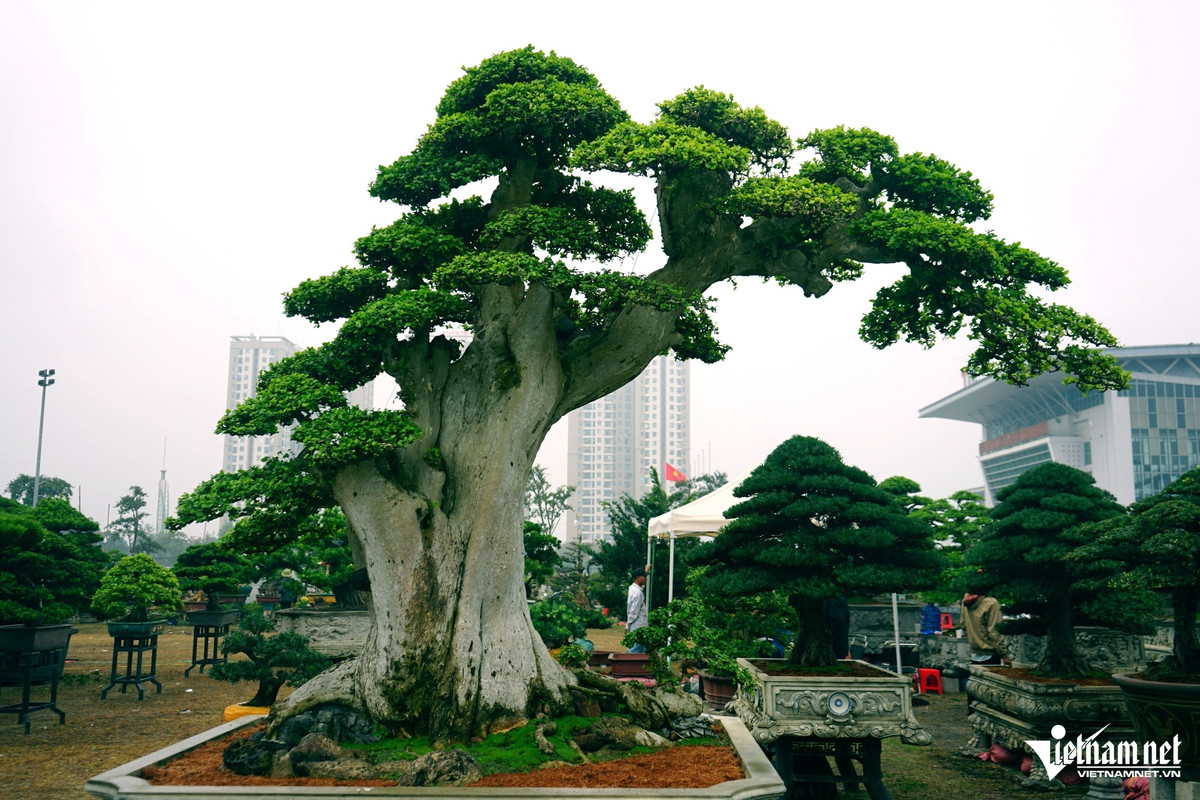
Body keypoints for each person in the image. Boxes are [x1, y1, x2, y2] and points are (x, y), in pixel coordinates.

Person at [962, 591, 1006, 665]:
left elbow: (964, 624)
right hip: (990, 652)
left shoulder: (966, 601)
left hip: (975, 653)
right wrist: (1004, 654)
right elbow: (994, 632)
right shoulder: (992, 603)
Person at [625, 565, 650, 653]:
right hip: (638, 626)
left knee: (643, 649)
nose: (646, 579)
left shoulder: (633, 588)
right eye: (644, 577)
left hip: (638, 626)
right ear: (638, 578)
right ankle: (628, 665)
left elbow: (640, 589)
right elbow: (634, 612)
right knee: (635, 649)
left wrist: (646, 570)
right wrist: (627, 626)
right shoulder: (638, 594)